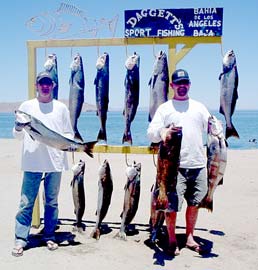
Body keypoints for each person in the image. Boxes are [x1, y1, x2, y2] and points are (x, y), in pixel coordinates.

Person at [147, 69, 210, 256]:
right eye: (178, 83)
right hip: (173, 168)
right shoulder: (165, 108)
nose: (182, 86)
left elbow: (212, 127)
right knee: (171, 205)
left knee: (194, 203)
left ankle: (190, 236)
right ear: (172, 86)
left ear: (189, 85)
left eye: (185, 82)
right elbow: (151, 133)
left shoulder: (199, 107)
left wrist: (219, 131)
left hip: (198, 164)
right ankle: (172, 239)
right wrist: (162, 132)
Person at [12, 71, 74, 257]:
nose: (45, 86)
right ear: (36, 86)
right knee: (26, 202)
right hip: (32, 162)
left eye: (48, 83)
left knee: (52, 202)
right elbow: (17, 136)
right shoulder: (26, 107)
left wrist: (70, 145)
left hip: (55, 162)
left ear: (53, 85)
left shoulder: (61, 108)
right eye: (41, 83)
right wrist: (17, 127)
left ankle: (49, 235)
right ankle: (21, 239)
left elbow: (68, 133)